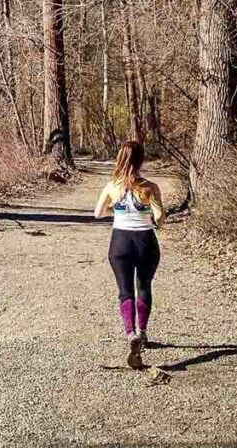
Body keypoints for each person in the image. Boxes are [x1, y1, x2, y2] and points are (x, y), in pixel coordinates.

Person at [93, 141, 165, 369]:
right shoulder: (150, 187)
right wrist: (153, 217)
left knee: (125, 290)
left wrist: (117, 208)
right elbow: (160, 217)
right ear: (141, 160)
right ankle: (142, 332)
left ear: (119, 159)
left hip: (120, 243)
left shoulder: (111, 187)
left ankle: (130, 332)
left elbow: (97, 213)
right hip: (145, 242)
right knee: (144, 286)